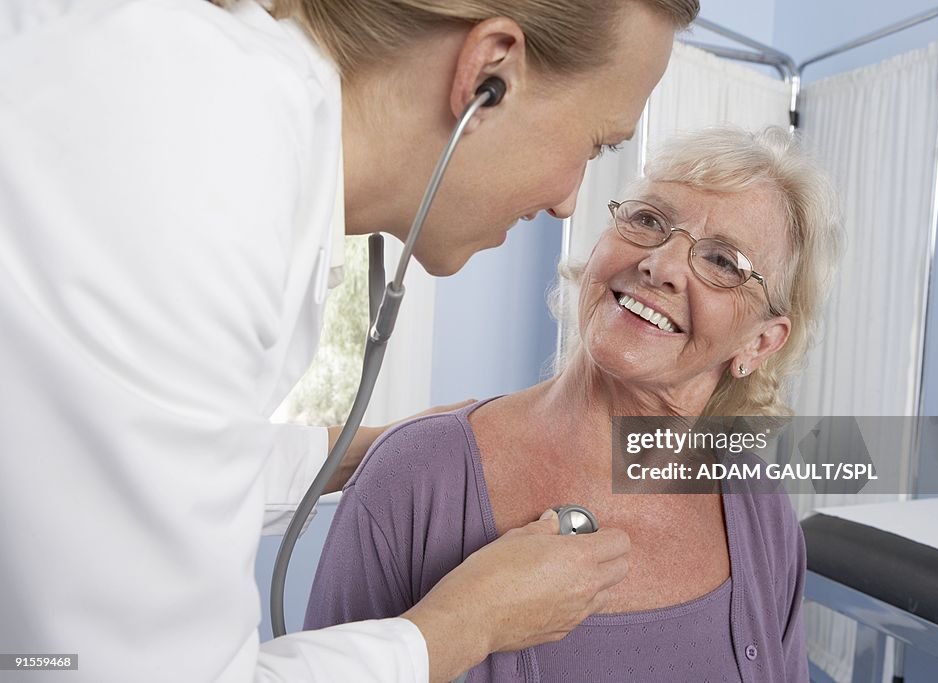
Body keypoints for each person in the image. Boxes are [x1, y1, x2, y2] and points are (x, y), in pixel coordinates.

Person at [0, 0, 702, 681]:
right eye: (596, 145)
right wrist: (466, 624)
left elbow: (159, 438)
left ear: (767, 339)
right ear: (491, 74)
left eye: (726, 264)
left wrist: (366, 444)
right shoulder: (194, 177)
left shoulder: (225, 124)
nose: (567, 201)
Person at [305, 126, 843, 681]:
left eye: (723, 261)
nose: (660, 265)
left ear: (759, 343)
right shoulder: (419, 476)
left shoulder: (759, 509)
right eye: (649, 220)